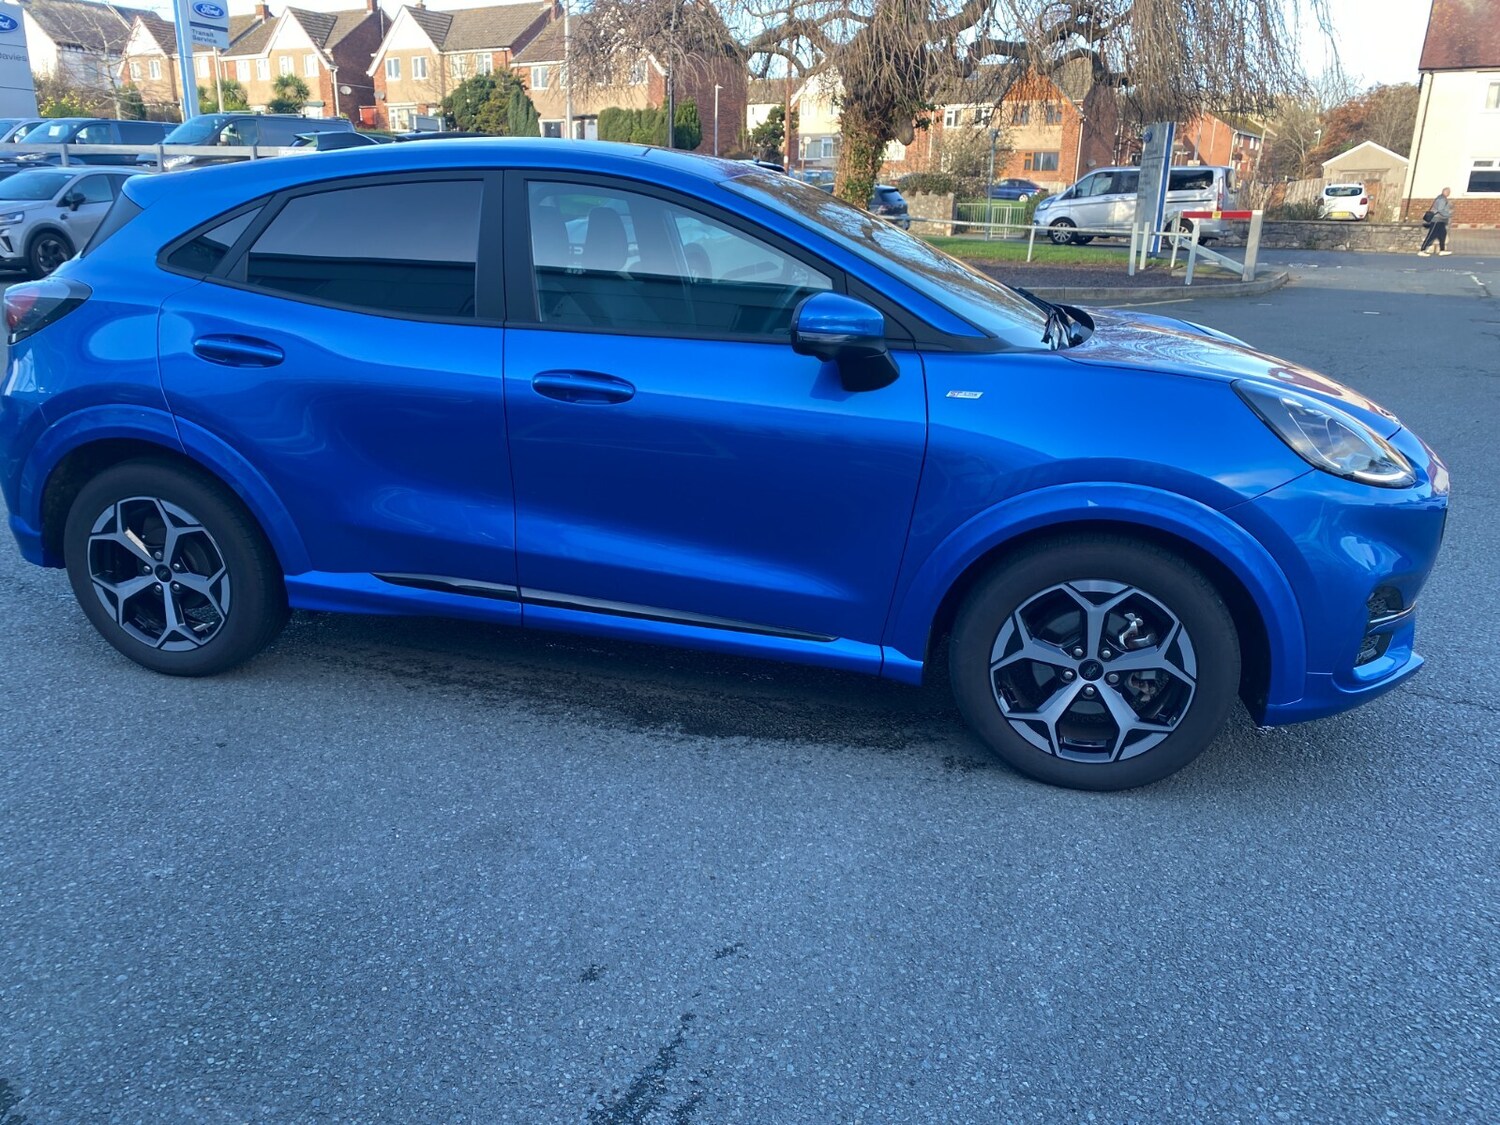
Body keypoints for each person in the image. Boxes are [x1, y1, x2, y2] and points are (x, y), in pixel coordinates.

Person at [1419, 188, 1453, 256]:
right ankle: (1422, 250)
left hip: (1441, 220)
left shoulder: (1442, 198)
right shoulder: (1441, 199)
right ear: (1445, 192)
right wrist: (1448, 215)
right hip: (1437, 220)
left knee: (1442, 235)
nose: (1449, 193)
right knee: (1431, 235)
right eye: (1448, 192)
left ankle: (1442, 250)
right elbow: (1440, 210)